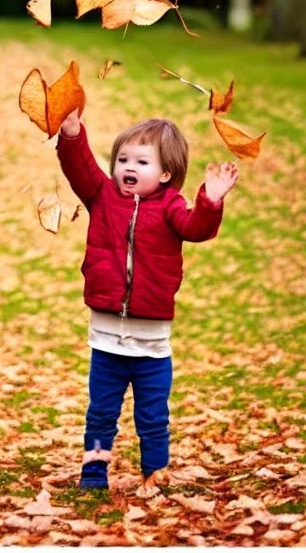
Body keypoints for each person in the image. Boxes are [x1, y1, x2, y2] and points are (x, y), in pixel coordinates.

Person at [56, 109, 239, 495]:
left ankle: (154, 471)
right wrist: (72, 133)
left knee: (153, 416)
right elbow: (80, 167)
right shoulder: (102, 196)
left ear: (166, 174)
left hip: (153, 345)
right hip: (106, 340)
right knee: (101, 414)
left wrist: (211, 200)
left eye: (141, 162)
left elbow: (198, 229)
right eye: (122, 159)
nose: (128, 168)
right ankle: (93, 474)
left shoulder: (171, 206)